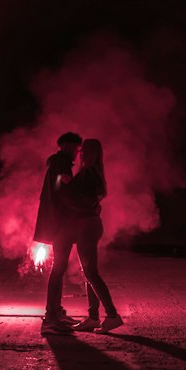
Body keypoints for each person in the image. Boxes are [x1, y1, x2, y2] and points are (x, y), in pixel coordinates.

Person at [56, 138, 123, 333]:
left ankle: (112, 315)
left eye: (84, 150)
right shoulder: (94, 173)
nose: (81, 153)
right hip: (89, 225)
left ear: (92, 153)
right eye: (81, 150)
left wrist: (67, 186)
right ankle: (93, 317)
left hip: (87, 226)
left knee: (91, 272)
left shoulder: (89, 173)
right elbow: (94, 199)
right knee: (89, 273)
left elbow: (84, 201)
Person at [34, 132, 82, 333]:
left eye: (77, 149)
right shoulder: (60, 165)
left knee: (58, 268)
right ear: (63, 145)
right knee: (58, 267)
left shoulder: (59, 164)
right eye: (73, 148)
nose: (76, 153)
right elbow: (64, 194)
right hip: (60, 224)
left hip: (59, 223)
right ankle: (51, 317)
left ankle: (55, 311)